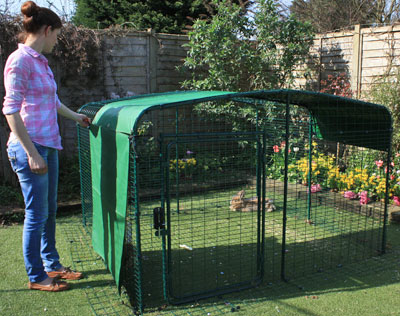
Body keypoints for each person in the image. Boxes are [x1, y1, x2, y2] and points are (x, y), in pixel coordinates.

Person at [2, 1, 90, 292]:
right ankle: (37, 276)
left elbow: (51, 102)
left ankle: (51, 265)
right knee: (37, 214)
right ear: (47, 30)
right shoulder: (20, 60)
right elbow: (11, 110)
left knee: (49, 211)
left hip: (49, 144)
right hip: (31, 147)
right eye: (56, 35)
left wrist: (76, 117)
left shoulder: (40, 61)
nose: (57, 41)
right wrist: (31, 153)